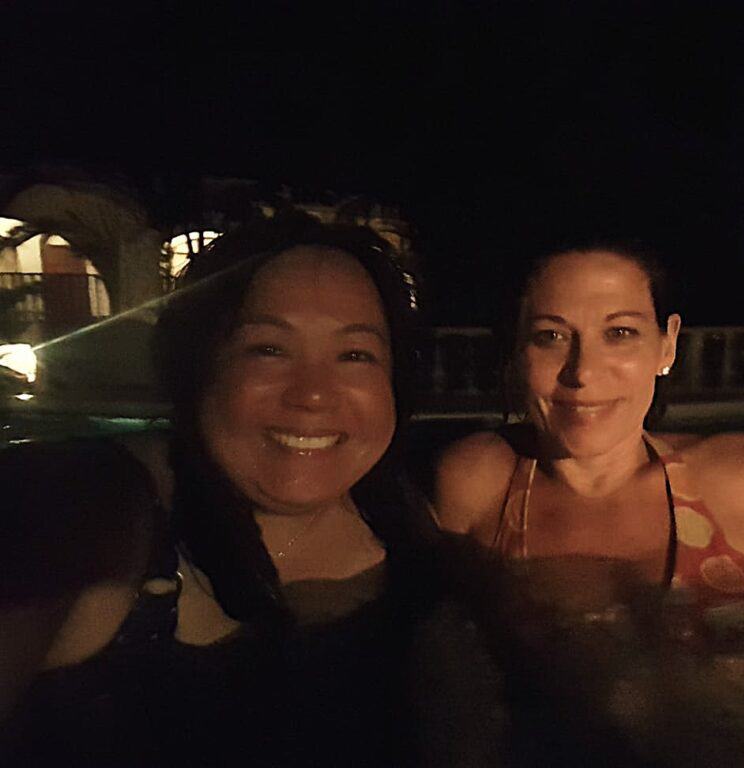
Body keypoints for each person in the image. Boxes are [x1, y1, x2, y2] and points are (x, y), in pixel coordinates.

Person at [0, 210, 436, 766]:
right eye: (269, 349)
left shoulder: (408, 511)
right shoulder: (92, 506)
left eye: (355, 355)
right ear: (200, 364)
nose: (314, 395)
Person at [435, 240, 744, 629]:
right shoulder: (479, 483)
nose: (583, 372)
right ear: (517, 351)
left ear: (667, 344)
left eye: (619, 332)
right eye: (551, 336)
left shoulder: (742, 479)